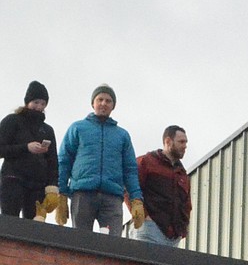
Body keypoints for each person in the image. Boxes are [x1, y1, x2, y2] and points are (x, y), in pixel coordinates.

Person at [55, 85, 144, 234]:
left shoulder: (122, 135)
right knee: (79, 242)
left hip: (112, 196)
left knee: (112, 244)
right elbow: (64, 161)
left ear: (113, 106)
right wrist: (61, 192)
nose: (103, 103)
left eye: (108, 101)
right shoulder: (77, 128)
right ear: (93, 103)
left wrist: (136, 198)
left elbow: (130, 169)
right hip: (82, 193)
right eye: (100, 99)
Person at [0, 81, 58, 220]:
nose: (39, 107)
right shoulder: (12, 121)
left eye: (43, 104)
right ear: (28, 101)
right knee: (10, 222)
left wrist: (52, 187)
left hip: (37, 185)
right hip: (13, 179)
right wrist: (26, 147)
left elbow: (53, 161)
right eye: (36, 102)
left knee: (34, 226)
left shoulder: (47, 130)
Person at [132, 125, 191, 245]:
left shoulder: (182, 173)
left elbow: (186, 204)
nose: (185, 146)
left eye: (186, 142)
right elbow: (129, 189)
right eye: (181, 142)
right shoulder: (146, 162)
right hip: (149, 229)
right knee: (145, 264)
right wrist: (141, 217)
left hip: (173, 237)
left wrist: (183, 229)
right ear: (168, 141)